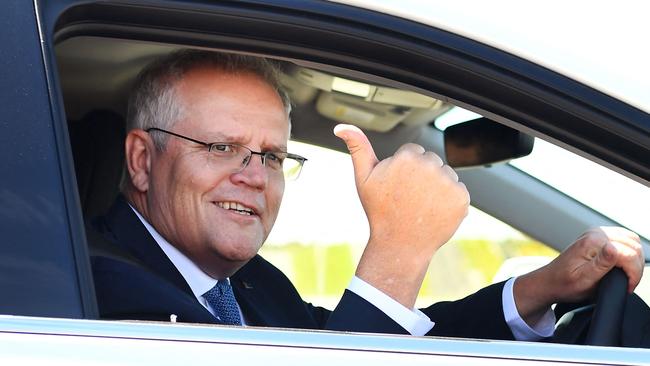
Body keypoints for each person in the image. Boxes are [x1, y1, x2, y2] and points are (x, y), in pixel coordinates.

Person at [90, 49, 644, 340]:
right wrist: (399, 249)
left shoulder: (248, 283)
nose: (255, 176)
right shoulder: (102, 289)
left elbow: (385, 340)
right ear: (142, 160)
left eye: (273, 156)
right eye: (220, 146)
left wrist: (544, 287)